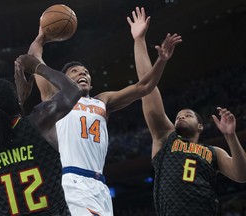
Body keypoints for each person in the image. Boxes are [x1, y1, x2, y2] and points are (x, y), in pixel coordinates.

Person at [18, 11, 182, 215]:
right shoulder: (56, 99)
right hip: (72, 181)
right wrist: (41, 37)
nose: (82, 74)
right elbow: (35, 60)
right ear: (64, 81)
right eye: (75, 72)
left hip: (100, 186)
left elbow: (145, 86)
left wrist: (159, 58)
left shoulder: (102, 101)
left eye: (85, 71)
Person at [128, 7, 246, 216]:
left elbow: (242, 174)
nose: (181, 116)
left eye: (188, 114)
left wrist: (230, 136)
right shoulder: (166, 138)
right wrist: (139, 40)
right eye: (178, 116)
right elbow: (147, 88)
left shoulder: (213, 153)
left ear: (200, 126)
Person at [0, 54, 82, 215]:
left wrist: (17, 101)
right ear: (13, 101)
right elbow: (73, 91)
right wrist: (37, 67)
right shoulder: (39, 122)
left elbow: (1, 122)